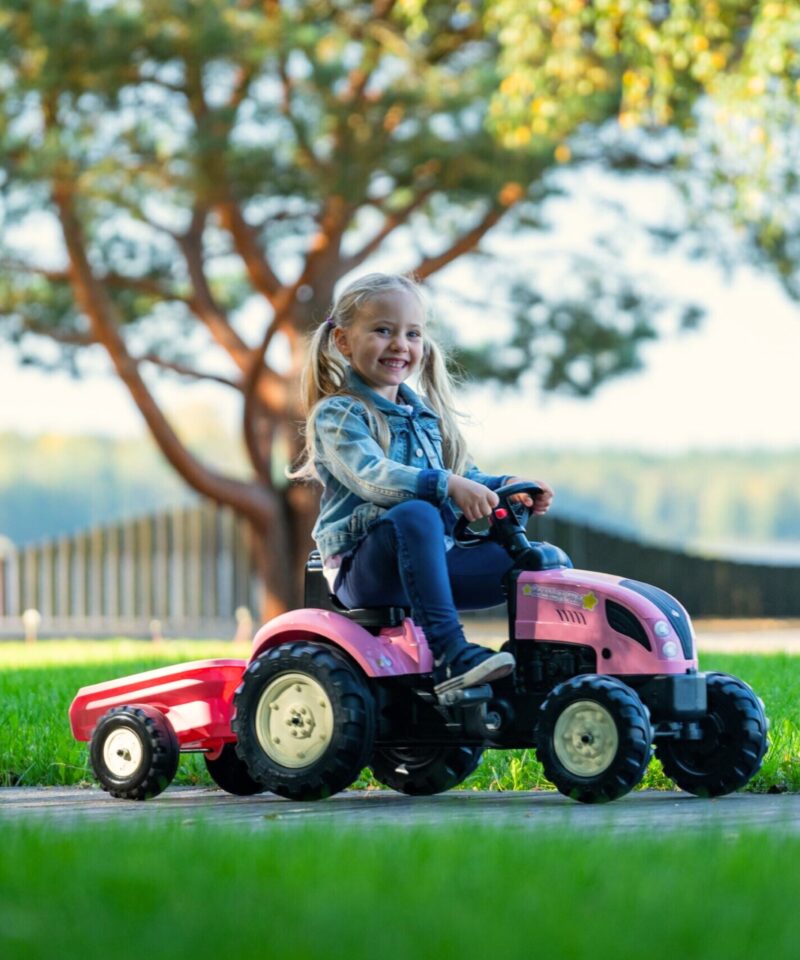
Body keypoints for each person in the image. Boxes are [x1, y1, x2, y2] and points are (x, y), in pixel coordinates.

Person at [291, 272, 554, 695]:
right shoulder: (340, 415)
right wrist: (445, 484)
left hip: (434, 559)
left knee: (542, 562)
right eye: (383, 331)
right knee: (415, 513)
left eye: (412, 333)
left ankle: (536, 671)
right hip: (366, 571)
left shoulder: (427, 418)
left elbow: (466, 477)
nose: (400, 344)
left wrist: (507, 484)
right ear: (343, 342)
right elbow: (373, 478)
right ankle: (452, 654)